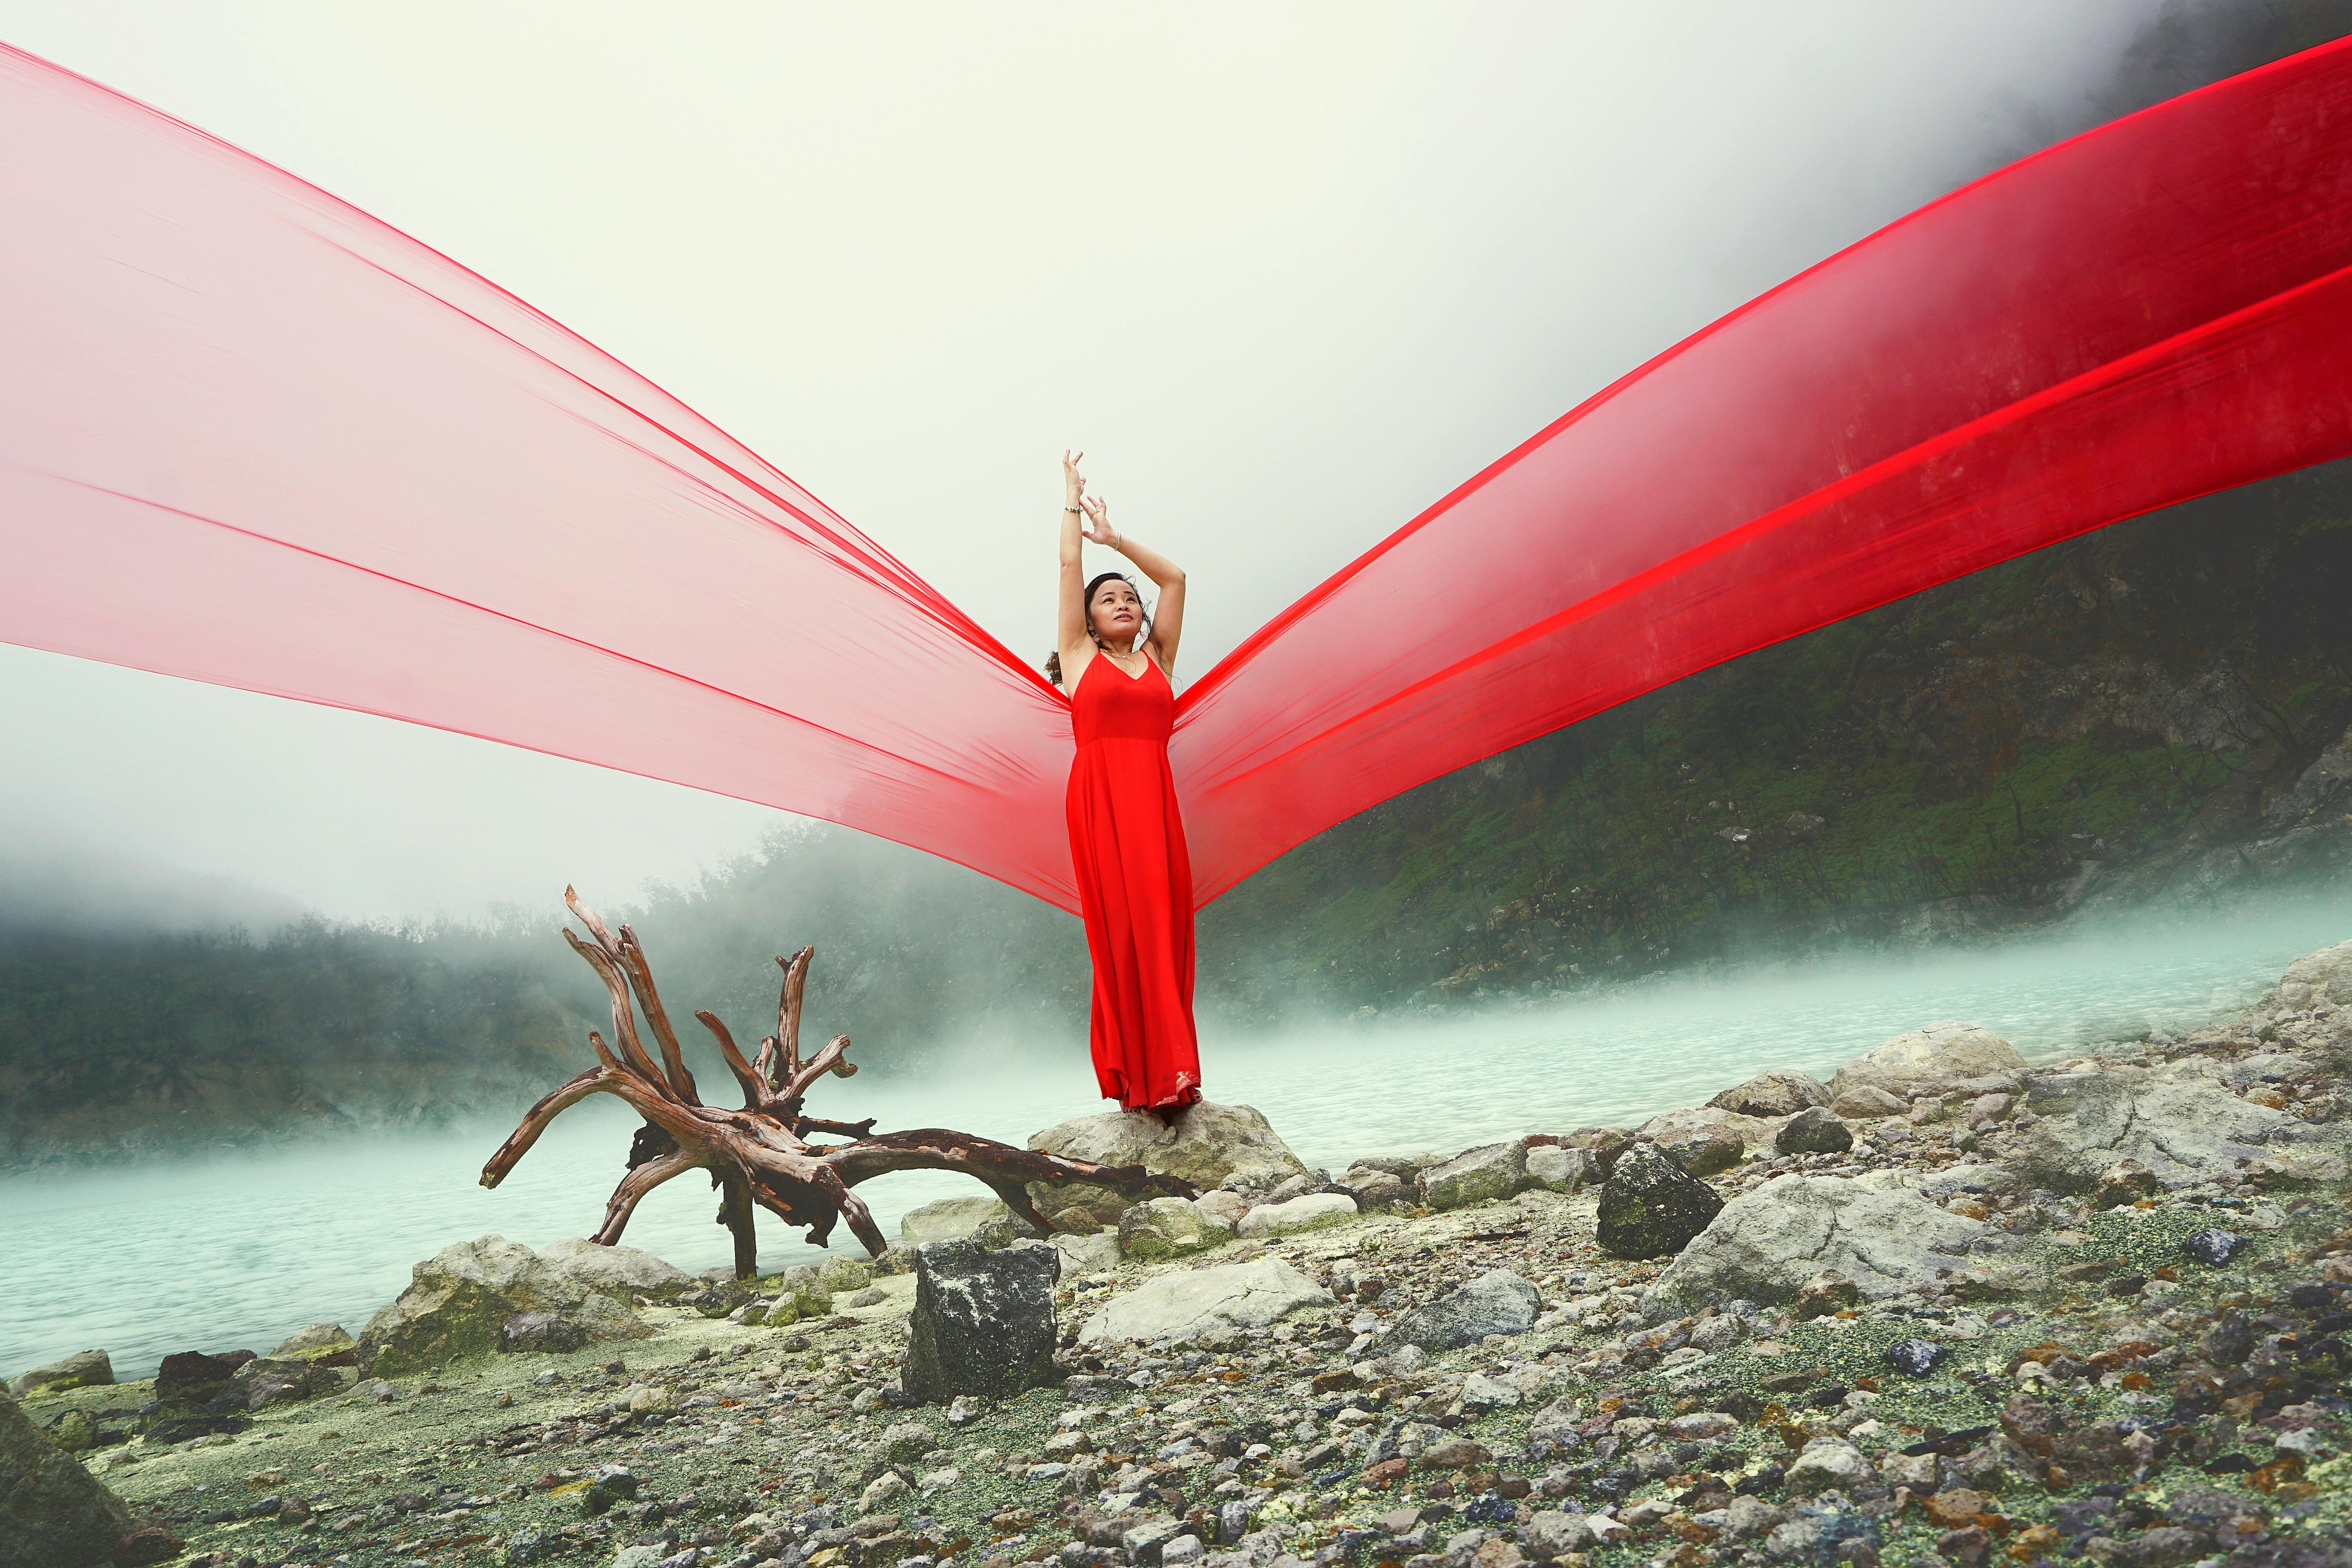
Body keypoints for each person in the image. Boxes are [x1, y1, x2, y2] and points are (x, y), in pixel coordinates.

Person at [1051, 449, 1201, 1120]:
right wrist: (1070, 502)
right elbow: (1066, 568)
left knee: (1165, 930)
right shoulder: (1081, 660)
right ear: (1086, 621)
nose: (1123, 602)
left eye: (1128, 598)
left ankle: (1173, 1075)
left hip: (1156, 802)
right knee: (1121, 935)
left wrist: (1117, 541)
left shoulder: (1159, 658)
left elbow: (1176, 579)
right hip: (1101, 803)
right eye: (1107, 598)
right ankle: (1131, 1081)